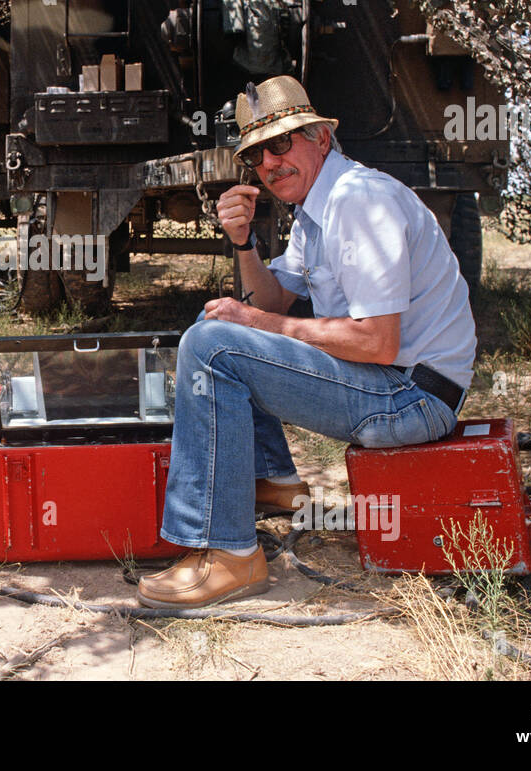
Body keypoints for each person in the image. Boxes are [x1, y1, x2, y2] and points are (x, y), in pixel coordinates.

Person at [137, 75, 477, 609]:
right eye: (256, 155)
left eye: (281, 143)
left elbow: (376, 343)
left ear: (320, 137)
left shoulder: (359, 201)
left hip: (410, 396)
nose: (270, 163)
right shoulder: (315, 211)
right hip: (392, 384)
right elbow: (270, 302)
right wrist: (243, 242)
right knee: (224, 333)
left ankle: (228, 556)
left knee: (212, 347)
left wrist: (252, 320)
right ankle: (272, 481)